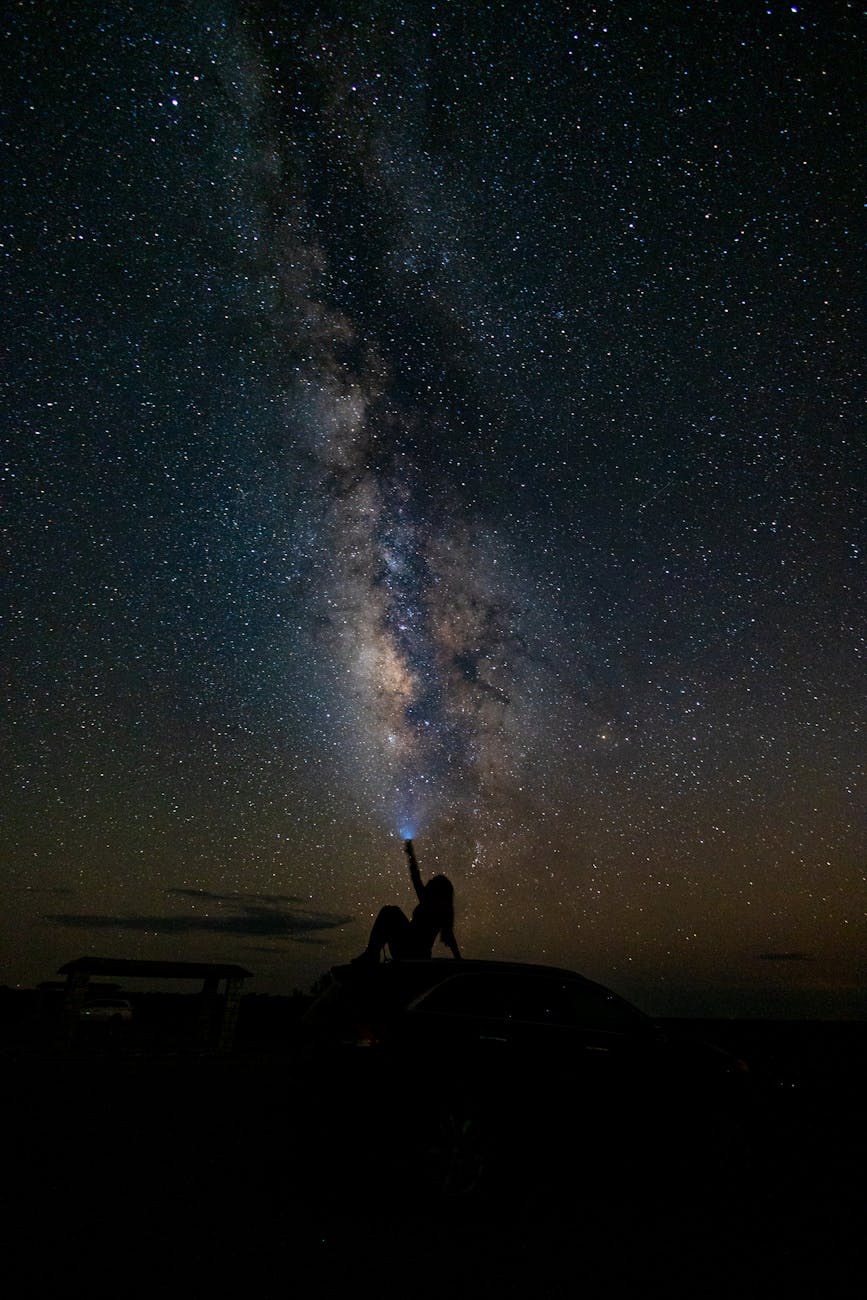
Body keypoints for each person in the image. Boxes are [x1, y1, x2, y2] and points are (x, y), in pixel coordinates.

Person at [350, 839, 461, 964]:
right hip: (416, 951)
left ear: (438, 891)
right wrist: (459, 961)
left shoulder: (429, 904)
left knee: (390, 912)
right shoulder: (442, 912)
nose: (429, 881)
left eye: (433, 881)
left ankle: (371, 954)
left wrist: (410, 854)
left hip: (410, 950)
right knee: (391, 911)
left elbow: (416, 878)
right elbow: (450, 938)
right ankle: (371, 954)